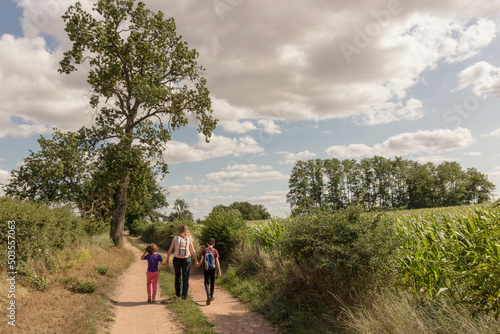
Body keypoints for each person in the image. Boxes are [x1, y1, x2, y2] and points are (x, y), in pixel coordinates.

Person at [166, 224, 198, 299]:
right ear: (187, 230)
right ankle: (184, 296)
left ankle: (178, 295)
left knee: (177, 276)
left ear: (179, 230)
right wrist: (196, 260)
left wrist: (167, 259)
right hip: (186, 259)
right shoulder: (189, 238)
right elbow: (193, 251)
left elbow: (170, 250)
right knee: (185, 277)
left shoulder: (175, 238)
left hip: (177, 259)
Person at [195, 237, 221, 305]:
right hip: (213, 268)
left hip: (206, 269)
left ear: (207, 243)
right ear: (214, 244)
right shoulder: (215, 251)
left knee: (206, 282)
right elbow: (217, 261)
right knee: (212, 282)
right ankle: (211, 296)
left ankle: (208, 295)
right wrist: (219, 271)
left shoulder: (204, 250)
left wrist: (198, 265)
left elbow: (202, 260)